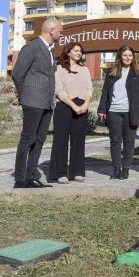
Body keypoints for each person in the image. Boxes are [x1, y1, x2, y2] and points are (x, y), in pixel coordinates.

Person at [11, 18, 64, 189]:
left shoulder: (50, 50)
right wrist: (23, 95)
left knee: (40, 140)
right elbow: (18, 74)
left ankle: (30, 177)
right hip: (32, 100)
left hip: (47, 102)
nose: (61, 34)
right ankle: (19, 179)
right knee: (28, 139)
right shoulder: (32, 47)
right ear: (50, 29)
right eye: (60, 31)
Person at [97, 45, 139, 180]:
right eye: (125, 55)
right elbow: (105, 92)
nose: (128, 58)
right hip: (114, 111)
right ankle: (116, 169)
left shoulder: (137, 72)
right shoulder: (111, 72)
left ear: (133, 57)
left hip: (131, 112)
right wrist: (102, 109)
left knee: (129, 141)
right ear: (120, 56)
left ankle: (125, 170)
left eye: (130, 55)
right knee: (115, 141)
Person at [48, 42, 93, 184]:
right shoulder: (59, 69)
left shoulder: (85, 70)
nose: (79, 53)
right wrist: (73, 106)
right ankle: (60, 173)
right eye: (76, 50)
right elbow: (59, 90)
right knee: (61, 141)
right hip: (64, 106)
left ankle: (77, 171)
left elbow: (89, 89)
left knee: (78, 141)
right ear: (68, 52)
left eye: (80, 51)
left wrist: (85, 104)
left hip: (82, 107)